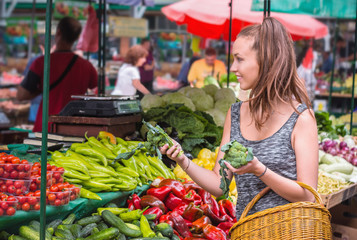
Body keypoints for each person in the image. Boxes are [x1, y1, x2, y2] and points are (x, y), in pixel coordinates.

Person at [160, 17, 318, 219]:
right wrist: (182, 159)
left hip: (290, 231)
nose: (233, 67)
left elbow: (307, 196)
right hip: (247, 230)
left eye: (240, 59)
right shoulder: (235, 114)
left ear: (266, 61)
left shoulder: (301, 119)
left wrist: (259, 170)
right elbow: (219, 185)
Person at [17, 17, 98, 132]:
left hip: (46, 127)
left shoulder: (42, 62)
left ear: (58, 32)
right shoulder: (87, 66)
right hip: (75, 128)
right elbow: (94, 88)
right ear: (76, 37)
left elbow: (21, 95)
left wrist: (42, 89)